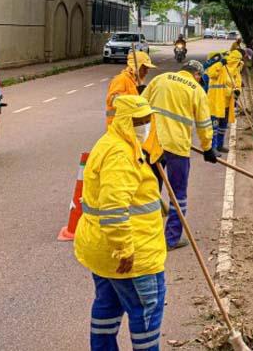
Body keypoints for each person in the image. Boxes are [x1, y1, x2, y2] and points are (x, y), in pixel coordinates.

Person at [74, 95, 167, 351]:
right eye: (138, 121)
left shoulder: (112, 142)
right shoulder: (120, 155)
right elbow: (114, 208)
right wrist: (124, 249)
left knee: (107, 308)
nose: (144, 125)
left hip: (103, 251)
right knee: (146, 313)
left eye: (147, 119)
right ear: (125, 121)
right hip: (132, 256)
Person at [141, 60, 218, 250]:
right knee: (178, 195)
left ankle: (146, 237)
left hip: (152, 144)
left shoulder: (160, 79)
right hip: (177, 147)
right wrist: (208, 148)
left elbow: (140, 106)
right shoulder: (197, 90)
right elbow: (204, 124)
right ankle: (171, 240)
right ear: (197, 75)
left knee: (149, 191)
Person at [105, 50, 157, 126]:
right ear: (136, 67)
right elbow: (112, 101)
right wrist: (134, 99)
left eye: (148, 69)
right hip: (117, 125)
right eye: (145, 68)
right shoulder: (121, 79)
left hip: (130, 124)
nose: (147, 72)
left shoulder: (137, 82)